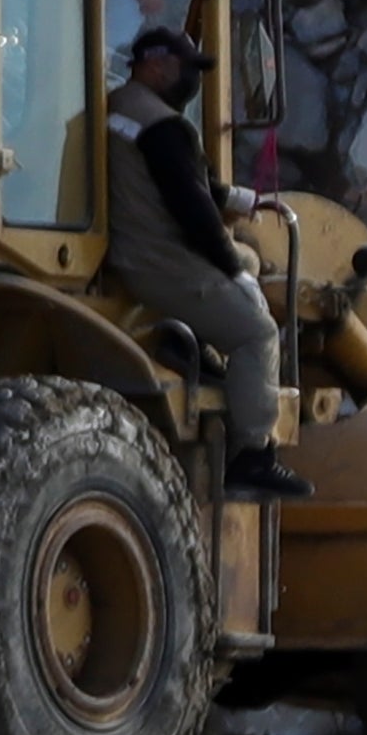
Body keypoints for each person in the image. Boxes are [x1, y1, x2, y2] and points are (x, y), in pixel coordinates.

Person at [100, 26, 297, 499]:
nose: (192, 78)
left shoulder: (116, 107)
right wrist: (234, 272)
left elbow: (175, 181)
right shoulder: (165, 126)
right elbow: (193, 211)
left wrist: (235, 198)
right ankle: (253, 454)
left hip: (127, 250)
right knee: (257, 332)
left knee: (249, 258)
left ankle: (189, 345)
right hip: (159, 260)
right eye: (185, 67)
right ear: (154, 65)